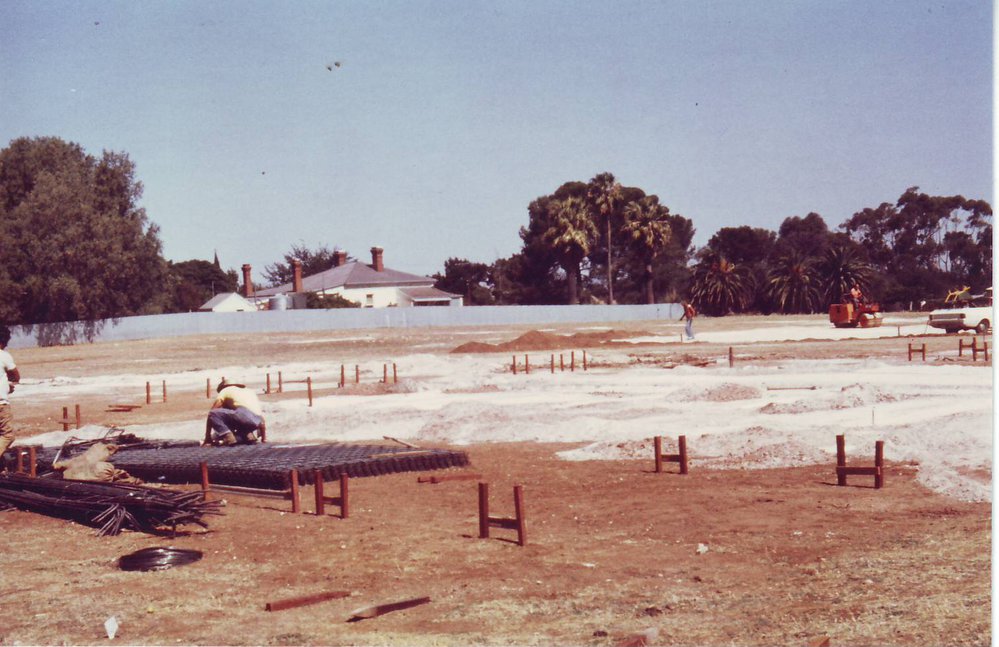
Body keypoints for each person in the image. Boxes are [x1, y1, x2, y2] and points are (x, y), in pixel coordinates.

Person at [205, 378, 265, 446]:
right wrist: (264, 438)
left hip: (244, 416)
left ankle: (229, 438)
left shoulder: (226, 390)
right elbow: (260, 417)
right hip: (258, 420)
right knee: (236, 416)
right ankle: (248, 436)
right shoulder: (249, 391)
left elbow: (213, 411)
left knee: (213, 413)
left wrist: (207, 438)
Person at [0, 324, 21, 458]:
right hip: (1, 404)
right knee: (8, 435)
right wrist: (10, 385)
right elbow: (15, 376)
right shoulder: (3, 355)